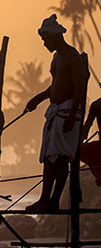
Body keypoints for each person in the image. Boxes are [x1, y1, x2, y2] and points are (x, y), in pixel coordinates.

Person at [24, 14, 88, 212]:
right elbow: (55, 85)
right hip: (56, 111)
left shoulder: (72, 56)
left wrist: (71, 117)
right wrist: (38, 98)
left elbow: (80, 88)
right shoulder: (57, 57)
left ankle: (54, 200)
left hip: (68, 111)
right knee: (50, 157)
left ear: (55, 37)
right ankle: (45, 199)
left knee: (61, 158)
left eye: (46, 40)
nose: (44, 44)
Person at [80, 97, 101, 185]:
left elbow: (86, 129)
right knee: (81, 150)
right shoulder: (96, 105)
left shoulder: (97, 104)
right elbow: (86, 128)